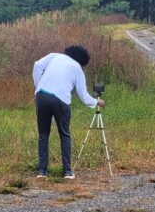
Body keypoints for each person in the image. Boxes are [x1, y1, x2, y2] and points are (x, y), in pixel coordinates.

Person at [31, 45, 104, 179]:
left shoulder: (54, 56)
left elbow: (37, 65)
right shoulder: (77, 68)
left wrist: (38, 86)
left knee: (43, 135)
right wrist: (97, 102)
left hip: (41, 95)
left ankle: (42, 171)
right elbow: (84, 96)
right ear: (82, 61)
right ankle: (67, 172)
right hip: (61, 100)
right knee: (64, 134)